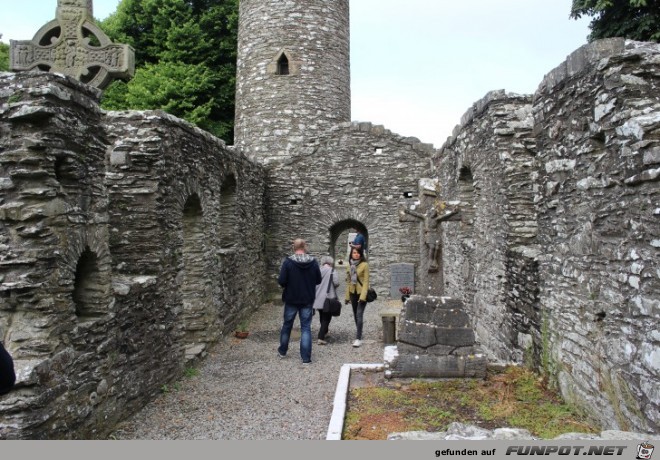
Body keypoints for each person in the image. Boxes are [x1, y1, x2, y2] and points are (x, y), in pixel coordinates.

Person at [277, 238, 322, 364]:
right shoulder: (313, 262)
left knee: (287, 325)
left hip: (291, 299)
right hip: (307, 299)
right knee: (306, 327)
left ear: (294, 247)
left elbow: (281, 281)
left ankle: (283, 351)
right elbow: (318, 280)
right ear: (305, 246)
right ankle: (306, 358)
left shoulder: (288, 262)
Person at [345, 246, 369, 347]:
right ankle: (358, 334)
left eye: (358, 253)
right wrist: (347, 297)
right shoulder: (349, 265)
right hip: (352, 293)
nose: (356, 254)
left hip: (361, 293)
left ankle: (358, 338)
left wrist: (363, 297)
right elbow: (348, 281)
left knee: (359, 315)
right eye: (354, 253)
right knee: (355, 314)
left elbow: (366, 282)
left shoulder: (364, 265)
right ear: (351, 254)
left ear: (361, 254)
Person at [312, 256, 339, 345]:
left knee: (322, 315)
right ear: (331, 262)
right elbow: (336, 283)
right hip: (328, 297)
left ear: (323, 262)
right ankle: (320, 337)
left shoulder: (317, 270)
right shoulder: (332, 271)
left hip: (318, 297)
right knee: (327, 317)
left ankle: (325, 332)